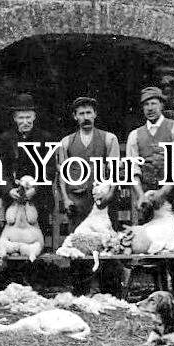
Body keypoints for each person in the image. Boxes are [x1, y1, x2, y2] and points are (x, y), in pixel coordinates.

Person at [124, 86, 174, 302]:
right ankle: (159, 289)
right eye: (146, 104)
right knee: (152, 241)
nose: (150, 108)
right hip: (148, 196)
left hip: (173, 194)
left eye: (153, 103)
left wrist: (165, 191)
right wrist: (141, 195)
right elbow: (132, 168)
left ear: (161, 105)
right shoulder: (135, 135)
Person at [56, 97, 122, 295]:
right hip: (77, 200)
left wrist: (110, 194)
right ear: (75, 116)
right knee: (79, 246)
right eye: (81, 113)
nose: (86, 117)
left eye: (89, 113)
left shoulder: (109, 139)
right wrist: (66, 199)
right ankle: (80, 292)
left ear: (95, 114)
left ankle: (109, 291)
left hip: (102, 202)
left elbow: (115, 170)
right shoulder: (66, 142)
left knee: (106, 243)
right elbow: (61, 174)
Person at [0, 93, 56, 237]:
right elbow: (0, 169)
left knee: (37, 228)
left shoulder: (45, 138)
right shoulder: (5, 139)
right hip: (13, 194)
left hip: (38, 193)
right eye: (21, 118)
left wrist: (35, 189)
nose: (25, 122)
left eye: (28, 117)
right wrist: (9, 190)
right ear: (15, 118)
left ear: (34, 117)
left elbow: (49, 169)